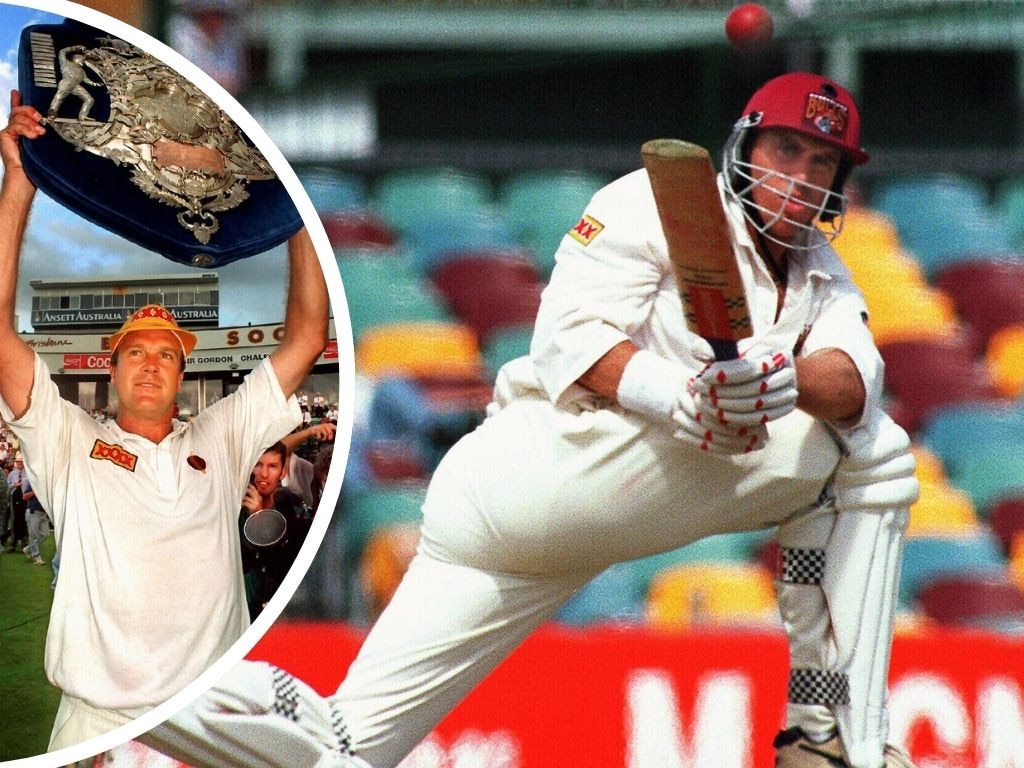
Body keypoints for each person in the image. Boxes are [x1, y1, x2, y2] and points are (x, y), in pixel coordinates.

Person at [143, 73, 919, 768]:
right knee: (874, 456)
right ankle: (832, 733)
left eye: (823, 164)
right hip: (548, 468)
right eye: (788, 151)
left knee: (339, 751)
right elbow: (568, 344)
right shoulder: (647, 204)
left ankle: (129, 697)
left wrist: (773, 381)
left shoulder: (822, 272)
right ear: (746, 146)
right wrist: (684, 394)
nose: (802, 179)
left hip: (531, 532)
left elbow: (852, 380)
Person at [0, 89, 330, 751]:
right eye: (136, 354)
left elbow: (306, 336)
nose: (151, 365)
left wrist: (291, 210)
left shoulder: (221, 434)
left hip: (208, 717)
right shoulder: (69, 439)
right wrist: (18, 186)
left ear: (183, 378)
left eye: (166, 356)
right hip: (97, 724)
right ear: (112, 372)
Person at [239, 440, 314, 620]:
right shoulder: (234, 510)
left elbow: (292, 562)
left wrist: (261, 519)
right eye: (258, 465)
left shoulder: (294, 509)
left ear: (283, 472)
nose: (263, 474)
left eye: (272, 466)